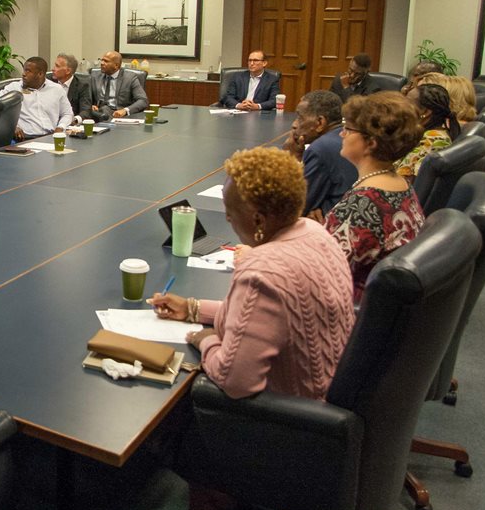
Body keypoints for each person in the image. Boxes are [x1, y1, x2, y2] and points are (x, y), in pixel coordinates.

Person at [148, 147, 354, 400]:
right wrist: (192, 308)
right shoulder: (316, 232)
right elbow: (264, 315)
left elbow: (234, 381)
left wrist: (205, 340)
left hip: (291, 420)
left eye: (230, 213)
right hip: (332, 394)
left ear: (258, 220)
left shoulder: (263, 270)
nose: (227, 219)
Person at [324, 92, 425, 302]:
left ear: (371, 143)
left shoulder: (361, 204)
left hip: (347, 311)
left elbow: (321, 274)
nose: (342, 134)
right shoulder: (400, 184)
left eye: (348, 129)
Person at [284, 90, 357, 220]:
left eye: (300, 117)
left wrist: (292, 158)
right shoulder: (344, 137)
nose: (294, 124)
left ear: (320, 123)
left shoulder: (320, 149)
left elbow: (294, 208)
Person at [395, 83, 461, 181]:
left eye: (407, 103)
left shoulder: (431, 141)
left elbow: (403, 183)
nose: (401, 107)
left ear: (425, 112)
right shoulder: (423, 133)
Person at [0, 56, 73, 140]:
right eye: (24, 70)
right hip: (24, 139)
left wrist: (60, 127)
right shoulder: (13, 88)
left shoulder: (57, 89)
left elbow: (67, 113)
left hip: (50, 137)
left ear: (40, 74)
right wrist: (12, 126)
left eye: (28, 71)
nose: (23, 74)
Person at [86, 50, 148, 121]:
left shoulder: (130, 78)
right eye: (102, 60)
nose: (102, 63)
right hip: (98, 114)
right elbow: (86, 97)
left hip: (118, 115)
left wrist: (125, 110)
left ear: (116, 65)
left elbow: (143, 100)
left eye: (106, 61)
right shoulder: (95, 75)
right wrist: (90, 105)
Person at [50, 52, 91, 122]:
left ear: (68, 71)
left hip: (69, 125)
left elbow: (86, 111)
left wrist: (74, 120)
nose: (53, 69)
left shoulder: (82, 86)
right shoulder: (48, 81)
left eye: (57, 66)